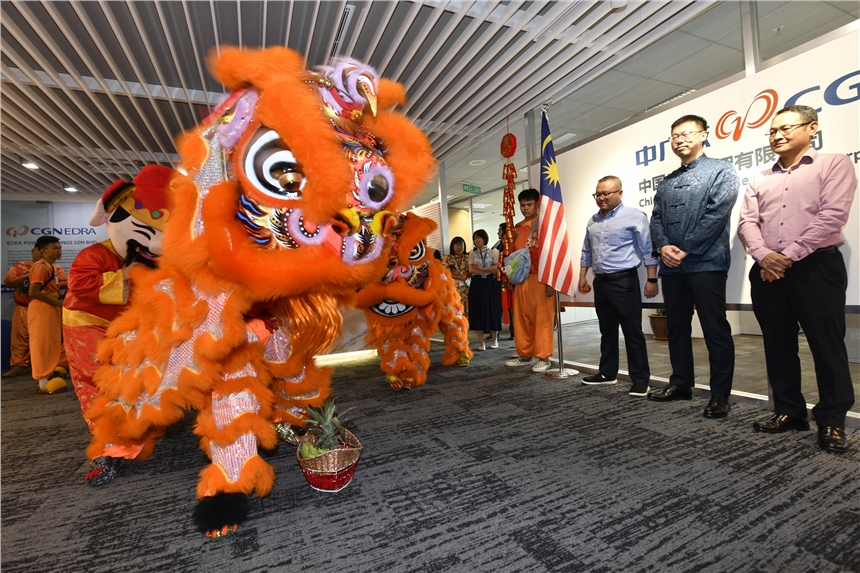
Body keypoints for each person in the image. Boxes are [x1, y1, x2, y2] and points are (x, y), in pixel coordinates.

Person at [738, 105, 856, 453]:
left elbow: (832, 215)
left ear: (812, 128)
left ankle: (832, 420)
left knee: (826, 345)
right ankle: (789, 410)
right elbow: (747, 223)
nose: (777, 135)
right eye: (772, 131)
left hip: (816, 267)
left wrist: (787, 255)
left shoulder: (833, 164)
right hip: (767, 270)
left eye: (786, 128)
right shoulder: (759, 178)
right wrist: (764, 256)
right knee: (778, 343)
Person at [63, 165, 174, 433]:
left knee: (132, 374)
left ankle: (132, 422)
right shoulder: (94, 254)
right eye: (146, 231)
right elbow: (79, 286)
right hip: (88, 323)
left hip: (127, 326)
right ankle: (106, 433)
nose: (156, 245)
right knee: (95, 376)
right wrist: (122, 276)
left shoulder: (155, 262)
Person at [648, 114, 739, 418]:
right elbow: (656, 218)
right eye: (675, 136)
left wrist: (685, 249)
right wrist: (663, 247)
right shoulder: (667, 182)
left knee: (714, 329)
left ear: (704, 135)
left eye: (687, 134)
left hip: (706, 264)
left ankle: (720, 394)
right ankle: (681, 383)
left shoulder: (721, 170)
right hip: (672, 266)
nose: (680, 140)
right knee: (676, 328)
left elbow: (717, 214)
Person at [578, 176, 659, 397]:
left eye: (606, 193)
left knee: (632, 331)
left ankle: (640, 380)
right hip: (600, 282)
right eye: (598, 194)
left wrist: (652, 279)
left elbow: (648, 249)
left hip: (624, 282)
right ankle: (607, 373)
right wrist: (582, 276)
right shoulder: (593, 220)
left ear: (620, 193)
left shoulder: (634, 216)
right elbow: (586, 250)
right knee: (607, 330)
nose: (601, 198)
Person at [505, 188, 555, 373]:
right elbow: (512, 254)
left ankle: (544, 357)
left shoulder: (545, 225)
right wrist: (511, 277)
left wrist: (550, 281)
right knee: (522, 318)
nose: (525, 208)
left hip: (540, 278)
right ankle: (525, 354)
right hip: (521, 279)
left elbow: (551, 254)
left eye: (529, 204)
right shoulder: (517, 228)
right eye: (522, 205)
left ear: (537, 204)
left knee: (542, 318)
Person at [27, 236, 69, 393]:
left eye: (59, 248)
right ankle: (42, 381)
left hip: (50, 306)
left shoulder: (51, 267)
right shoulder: (41, 267)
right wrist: (58, 304)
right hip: (42, 308)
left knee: (52, 342)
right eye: (54, 248)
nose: (59, 251)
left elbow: (49, 290)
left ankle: (49, 374)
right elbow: (33, 292)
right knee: (42, 343)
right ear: (42, 251)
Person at [2, 246, 42, 378]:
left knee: (44, 338)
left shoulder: (53, 268)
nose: (41, 253)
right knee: (20, 337)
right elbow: (9, 283)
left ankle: (45, 366)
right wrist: (27, 275)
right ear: (33, 251)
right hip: (23, 307)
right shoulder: (19, 266)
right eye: (39, 250)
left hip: (44, 307)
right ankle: (19, 365)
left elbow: (64, 283)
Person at [468, 229, 501, 351]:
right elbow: (471, 270)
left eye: (478, 238)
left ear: (484, 238)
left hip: (490, 283)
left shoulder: (494, 252)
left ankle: (494, 340)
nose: (476, 240)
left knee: (492, 309)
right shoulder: (472, 253)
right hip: (477, 283)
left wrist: (481, 269)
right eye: (474, 238)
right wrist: (486, 269)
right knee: (478, 311)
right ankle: (481, 342)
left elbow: (496, 269)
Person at [493, 222, 514, 340]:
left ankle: (513, 331)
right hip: (499, 279)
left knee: (511, 307)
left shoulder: (511, 245)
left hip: (508, 279)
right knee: (498, 306)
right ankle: (496, 331)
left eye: (499, 230)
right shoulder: (498, 245)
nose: (498, 233)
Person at [443, 236, 470, 317]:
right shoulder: (447, 258)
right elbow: (445, 273)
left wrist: (461, 274)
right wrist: (461, 276)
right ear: (452, 246)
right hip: (453, 288)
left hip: (466, 288)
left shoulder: (468, 257)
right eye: (456, 245)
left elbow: (471, 273)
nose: (459, 247)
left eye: (461, 244)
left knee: (467, 308)